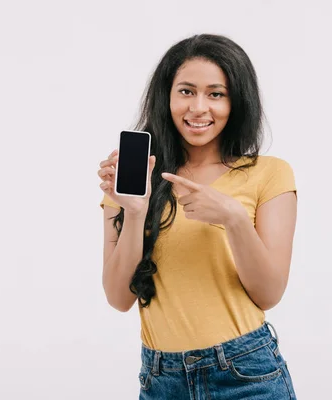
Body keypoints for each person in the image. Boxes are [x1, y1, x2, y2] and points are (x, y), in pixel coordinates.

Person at [97, 34, 298, 399]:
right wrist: (134, 211)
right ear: (167, 96)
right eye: (186, 91)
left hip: (245, 375)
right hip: (161, 379)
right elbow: (118, 297)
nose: (199, 107)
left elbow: (269, 293)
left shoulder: (270, 173)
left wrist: (234, 219)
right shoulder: (136, 179)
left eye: (216, 93)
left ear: (237, 101)